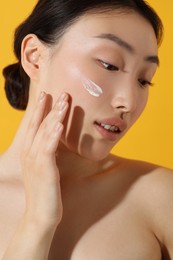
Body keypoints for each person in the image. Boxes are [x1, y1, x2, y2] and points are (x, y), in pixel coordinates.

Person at [1, 0, 173, 259]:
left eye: (143, 80)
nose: (128, 101)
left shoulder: (159, 196)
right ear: (34, 57)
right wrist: (38, 222)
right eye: (109, 65)